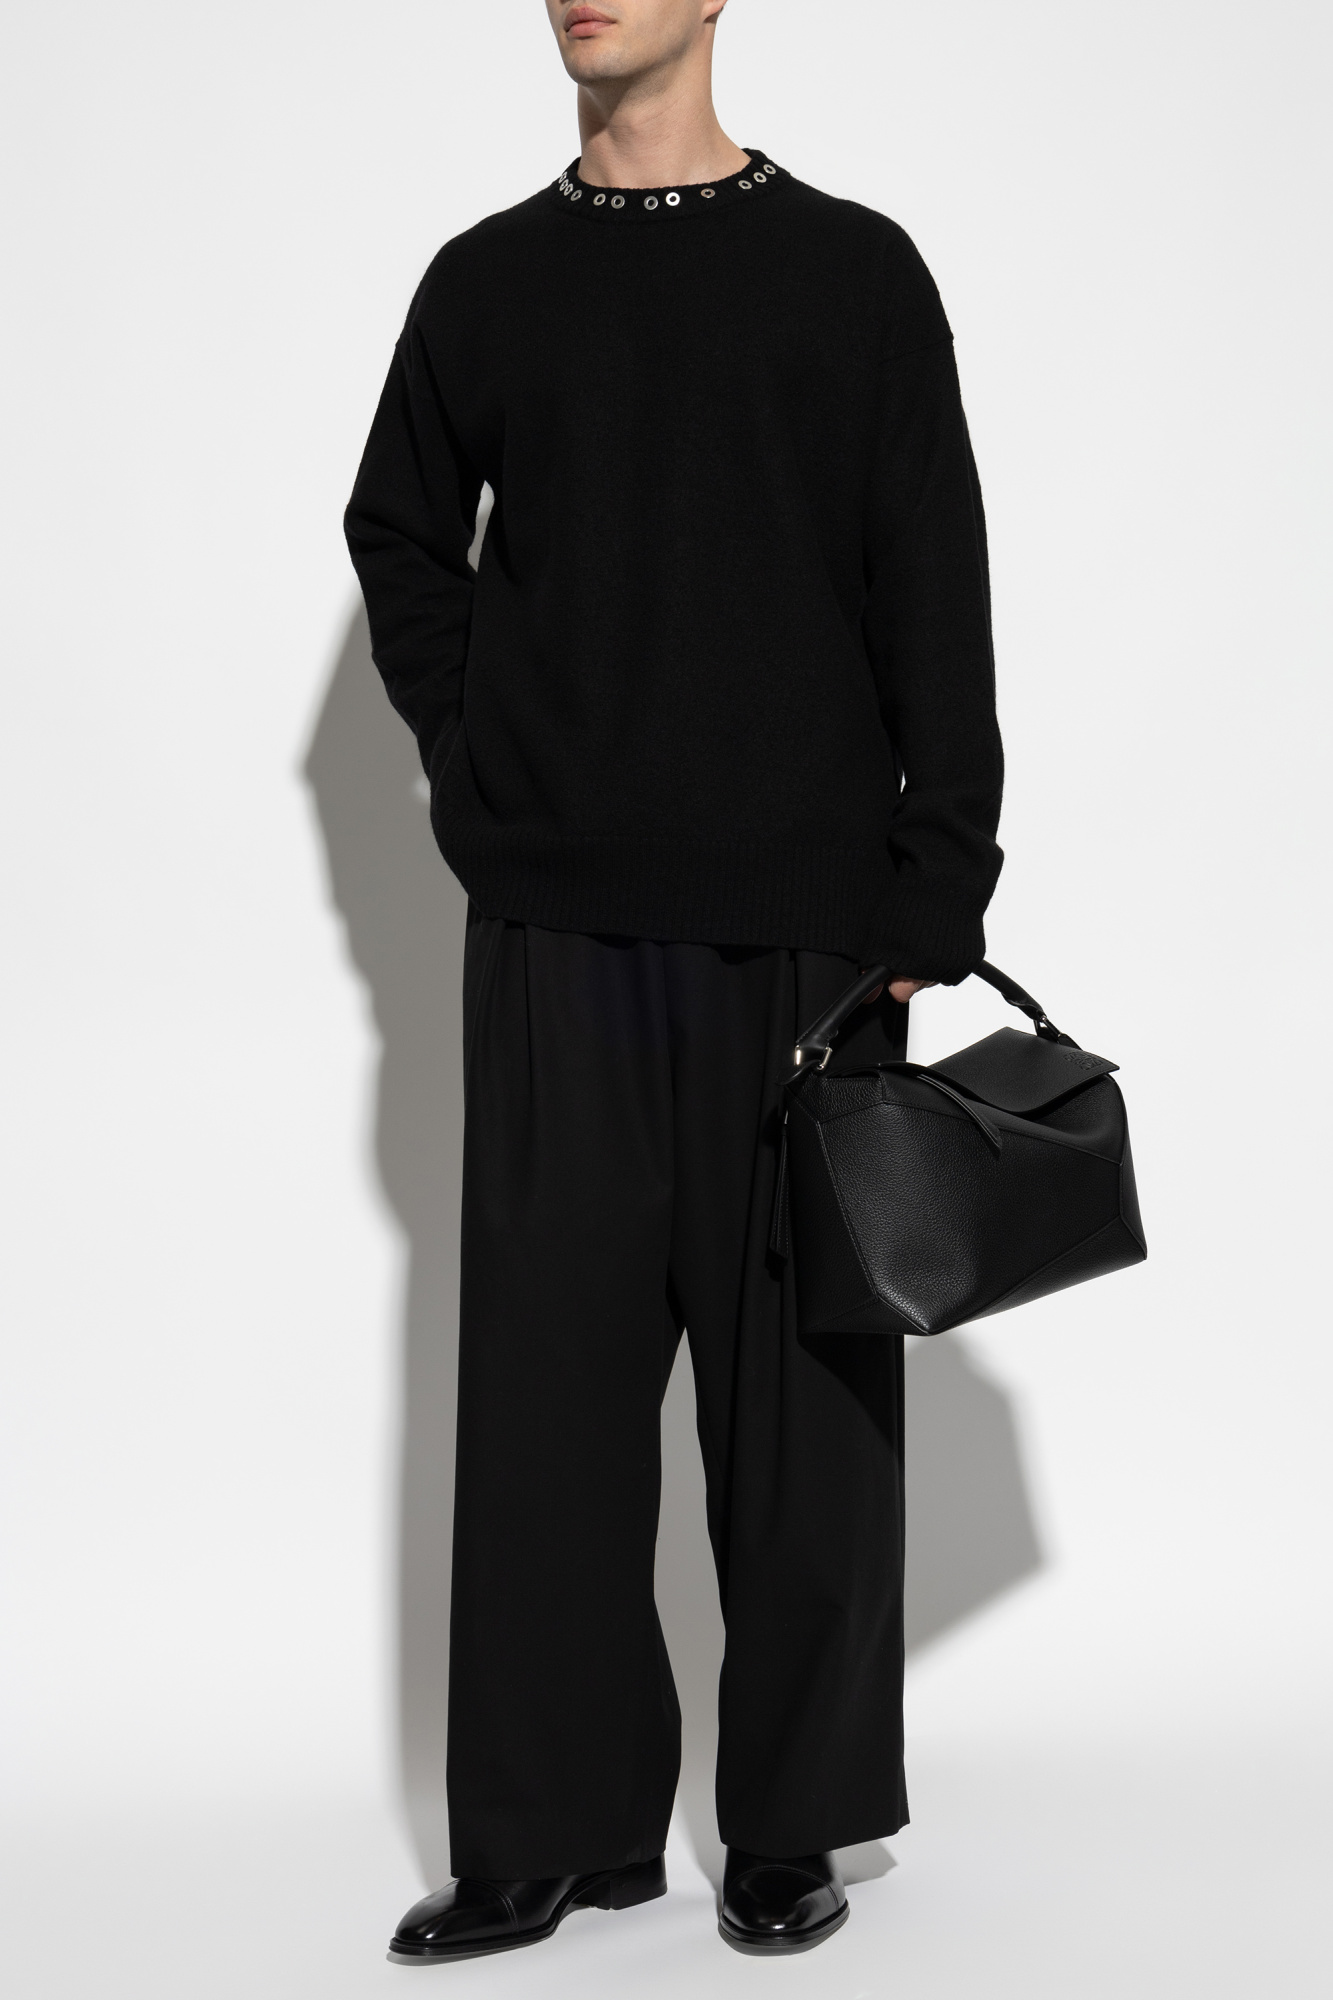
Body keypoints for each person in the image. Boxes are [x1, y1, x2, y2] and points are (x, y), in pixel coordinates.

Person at [344, 0, 1002, 1961]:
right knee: (543, 1402)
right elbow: (397, 531)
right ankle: (551, 1831)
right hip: (558, 931)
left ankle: (791, 1822)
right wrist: (476, 756)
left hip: (804, 942)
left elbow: (934, 579)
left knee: (806, 1414)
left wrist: (937, 886)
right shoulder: (486, 284)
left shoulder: (853, 274)